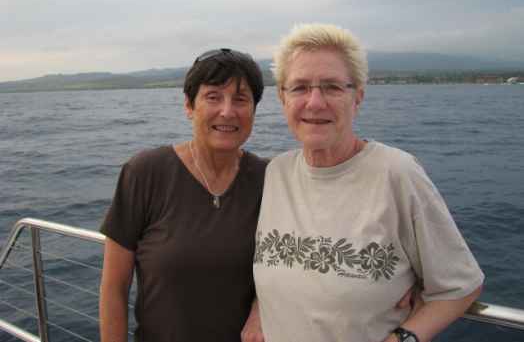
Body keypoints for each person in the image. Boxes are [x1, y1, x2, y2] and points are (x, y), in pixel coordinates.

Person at [253, 24, 484, 342]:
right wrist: (258, 308)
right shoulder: (276, 173)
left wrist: (403, 338)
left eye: (332, 87)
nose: (315, 102)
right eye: (300, 87)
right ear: (282, 97)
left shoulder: (396, 173)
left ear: (357, 96)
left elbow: (461, 285)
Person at [99, 48, 267, 342]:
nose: (227, 111)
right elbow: (114, 287)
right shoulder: (145, 172)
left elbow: (289, 271)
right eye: (213, 96)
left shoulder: (270, 179)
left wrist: (261, 308)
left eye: (240, 99)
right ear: (189, 105)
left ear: (253, 109)